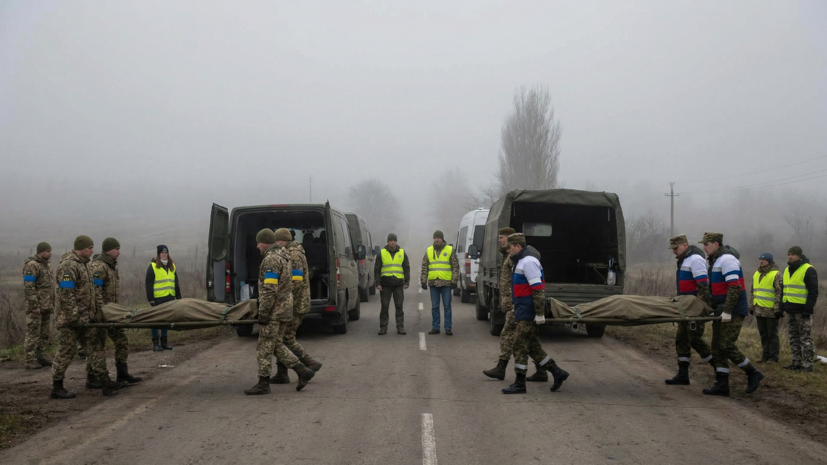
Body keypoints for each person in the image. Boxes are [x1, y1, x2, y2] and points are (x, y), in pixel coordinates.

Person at [50, 235, 127, 399]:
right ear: (80, 248)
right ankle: (57, 387)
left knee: (96, 350)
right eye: (89, 248)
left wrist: (96, 312)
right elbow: (66, 293)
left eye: (92, 248)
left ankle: (105, 383)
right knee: (66, 352)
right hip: (70, 322)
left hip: (87, 319)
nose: (92, 251)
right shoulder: (68, 266)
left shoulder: (85, 265)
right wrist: (74, 317)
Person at [244, 229, 315, 395]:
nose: (257, 246)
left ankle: (263, 383)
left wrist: (264, 313)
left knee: (264, 346)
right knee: (276, 344)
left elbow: (269, 289)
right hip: (285, 309)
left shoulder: (272, 260)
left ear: (266, 242)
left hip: (274, 311)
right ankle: (302, 370)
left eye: (259, 242)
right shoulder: (284, 255)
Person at [501, 233, 568, 394]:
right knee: (533, 347)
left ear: (518, 246)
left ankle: (519, 383)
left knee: (518, 345)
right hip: (523, 310)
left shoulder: (529, 262)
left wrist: (539, 314)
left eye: (509, 247)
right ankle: (558, 372)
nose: (508, 250)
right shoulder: (520, 262)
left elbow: (537, 290)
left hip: (529, 312)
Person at [699, 232, 764, 397]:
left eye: (706, 245)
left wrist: (727, 311)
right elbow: (715, 290)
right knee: (716, 347)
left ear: (716, 244)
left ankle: (752, 373)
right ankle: (722, 384)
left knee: (726, 345)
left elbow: (734, 287)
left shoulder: (727, 260)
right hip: (721, 309)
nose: (704, 248)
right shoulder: (714, 262)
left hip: (733, 310)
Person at [483, 228, 548, 382]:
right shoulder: (509, 256)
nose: (499, 240)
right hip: (514, 303)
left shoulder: (519, 259)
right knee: (530, 340)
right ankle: (545, 369)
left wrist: (513, 301)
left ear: (512, 241)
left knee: (509, 335)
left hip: (518, 304)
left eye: (502, 238)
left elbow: (525, 284)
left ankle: (502, 368)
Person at [269, 228, 323, 385]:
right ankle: (282, 373)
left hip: (295, 304)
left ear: (281, 241)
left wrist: (280, 295)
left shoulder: (294, 255)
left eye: (276, 241)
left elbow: (296, 281)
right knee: (284, 338)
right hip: (292, 303)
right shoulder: (290, 252)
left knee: (286, 338)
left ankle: (309, 363)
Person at [90, 238, 141, 384]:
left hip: (113, 313)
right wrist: (102, 312)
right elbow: (96, 291)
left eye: (119, 249)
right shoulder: (98, 267)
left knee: (121, 340)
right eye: (116, 249)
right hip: (102, 314)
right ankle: (92, 378)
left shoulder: (112, 266)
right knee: (97, 345)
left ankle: (122, 374)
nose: (119, 252)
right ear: (107, 250)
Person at [664, 235, 713, 385]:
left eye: (675, 248)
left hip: (693, 309)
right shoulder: (684, 260)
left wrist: (699, 309)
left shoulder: (695, 259)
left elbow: (703, 286)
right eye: (672, 249)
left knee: (695, 340)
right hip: (684, 307)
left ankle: (720, 368)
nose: (673, 251)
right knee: (682, 340)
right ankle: (683, 374)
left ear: (684, 246)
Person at [782, 246, 818, 372]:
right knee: (793, 337)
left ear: (799, 256)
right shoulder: (787, 270)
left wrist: (808, 310)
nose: (790, 257)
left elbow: (813, 292)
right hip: (790, 309)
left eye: (792, 254)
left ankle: (808, 365)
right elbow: (784, 290)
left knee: (805, 338)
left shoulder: (808, 269)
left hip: (802, 311)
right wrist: (783, 307)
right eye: (788, 254)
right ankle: (796, 362)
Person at [22, 242, 55, 370]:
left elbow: (49, 287)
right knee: (33, 333)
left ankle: (41, 356)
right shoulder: (31, 266)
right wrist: (34, 305)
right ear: (40, 252)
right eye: (47, 251)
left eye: (50, 250)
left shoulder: (47, 266)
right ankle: (30, 360)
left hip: (46, 306)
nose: (50, 253)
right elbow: (29, 286)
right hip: (36, 307)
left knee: (44, 333)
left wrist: (51, 304)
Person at [420, 230, 459, 335]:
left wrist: (454, 280)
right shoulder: (429, 250)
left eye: (438, 237)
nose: (437, 239)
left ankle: (448, 328)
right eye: (435, 237)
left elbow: (455, 266)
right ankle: (435, 327)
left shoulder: (449, 250)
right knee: (435, 307)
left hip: (446, 283)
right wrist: (423, 280)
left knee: (447, 307)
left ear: (442, 239)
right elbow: (424, 266)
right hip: (433, 283)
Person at [145, 245, 181, 351]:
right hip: (158, 299)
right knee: (156, 321)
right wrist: (151, 299)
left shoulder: (172, 266)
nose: (164, 254)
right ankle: (156, 343)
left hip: (170, 297)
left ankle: (164, 342)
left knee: (166, 321)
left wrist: (179, 298)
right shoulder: (153, 266)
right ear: (158, 254)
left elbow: (176, 284)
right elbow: (148, 284)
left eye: (166, 253)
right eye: (162, 253)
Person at [750, 252, 783, 364]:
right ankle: (765, 355)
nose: (761, 261)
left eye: (763, 259)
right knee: (763, 334)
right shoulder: (756, 274)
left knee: (772, 334)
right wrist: (751, 306)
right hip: (758, 309)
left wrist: (778, 309)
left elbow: (779, 292)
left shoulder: (776, 274)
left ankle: (774, 357)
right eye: (760, 259)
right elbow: (753, 291)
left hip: (770, 311)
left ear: (769, 261)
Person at [374, 233, 410, 335]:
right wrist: (377, 283)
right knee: (384, 307)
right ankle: (383, 327)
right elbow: (377, 270)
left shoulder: (402, 253)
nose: (392, 242)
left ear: (396, 241)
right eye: (391, 240)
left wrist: (406, 282)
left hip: (398, 284)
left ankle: (400, 327)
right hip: (385, 284)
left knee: (399, 306)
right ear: (388, 242)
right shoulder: (382, 253)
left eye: (394, 240)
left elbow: (406, 268)